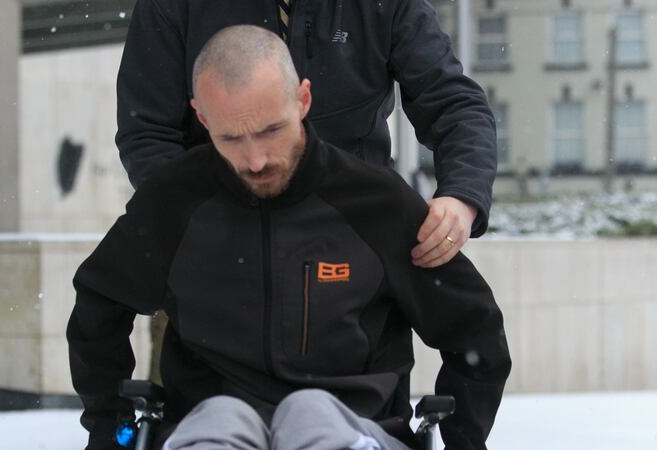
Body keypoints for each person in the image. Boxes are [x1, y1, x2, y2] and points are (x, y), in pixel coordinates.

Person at [68, 26, 511, 450]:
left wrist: (463, 441)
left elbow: (473, 326)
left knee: (312, 412)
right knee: (223, 418)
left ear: (302, 99)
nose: (255, 159)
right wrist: (111, 431)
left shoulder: (374, 202)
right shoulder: (176, 200)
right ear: (202, 118)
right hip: (208, 422)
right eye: (231, 138)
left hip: (357, 421)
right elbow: (99, 306)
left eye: (269, 131)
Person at [116, 0, 498, 267]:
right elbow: (146, 130)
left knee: (366, 379)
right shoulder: (172, 5)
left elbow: (454, 105)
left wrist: (462, 198)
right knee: (205, 381)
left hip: (355, 241)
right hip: (213, 246)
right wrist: (192, 218)